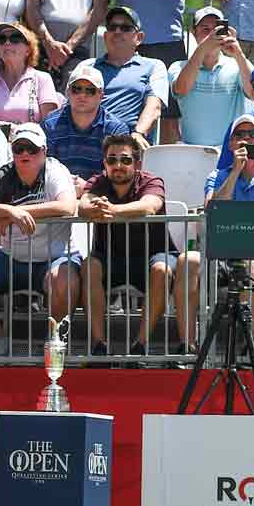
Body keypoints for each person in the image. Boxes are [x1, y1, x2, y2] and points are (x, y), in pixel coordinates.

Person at [0, 123, 79, 356]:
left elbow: (67, 206)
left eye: (32, 149)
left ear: (44, 151)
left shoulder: (56, 170)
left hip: (55, 257)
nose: (25, 154)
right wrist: (11, 212)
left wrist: (15, 212)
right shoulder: (2, 174)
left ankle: (55, 344)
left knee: (64, 282)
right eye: (19, 148)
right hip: (10, 257)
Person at [175, 114, 254, 350]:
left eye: (252, 135)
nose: (246, 140)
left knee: (250, 265)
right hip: (219, 253)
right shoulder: (217, 175)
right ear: (230, 144)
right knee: (187, 260)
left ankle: (248, 343)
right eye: (239, 135)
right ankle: (187, 344)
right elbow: (213, 210)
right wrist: (235, 171)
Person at [76, 132, 172, 357]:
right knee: (89, 265)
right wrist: (93, 206)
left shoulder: (151, 180)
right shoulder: (98, 181)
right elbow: (83, 206)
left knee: (161, 269)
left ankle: (140, 345)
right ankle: (99, 345)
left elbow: (149, 206)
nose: (118, 165)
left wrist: (110, 210)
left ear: (137, 163)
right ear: (104, 163)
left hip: (153, 256)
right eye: (112, 159)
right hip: (111, 259)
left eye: (126, 160)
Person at [170, 7, 253, 148]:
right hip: (192, 149)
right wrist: (203, 48)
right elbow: (181, 89)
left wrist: (238, 54)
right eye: (205, 30)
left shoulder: (237, 63)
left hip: (229, 151)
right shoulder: (178, 66)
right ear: (193, 33)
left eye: (217, 30)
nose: (212, 36)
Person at [40, 63, 130, 183]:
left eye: (90, 90)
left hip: (101, 194)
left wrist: (88, 187)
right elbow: (43, 166)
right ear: (67, 92)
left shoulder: (115, 130)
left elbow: (119, 171)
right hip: (58, 190)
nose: (82, 95)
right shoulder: (50, 124)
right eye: (76, 89)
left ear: (101, 95)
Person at [91, 5, 167, 146]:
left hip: (129, 145)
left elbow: (154, 106)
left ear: (139, 38)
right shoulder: (88, 67)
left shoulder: (154, 66)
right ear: (105, 35)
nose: (117, 32)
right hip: (90, 141)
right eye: (112, 27)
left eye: (126, 28)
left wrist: (138, 133)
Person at [0, 20, 60, 125]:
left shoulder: (42, 79)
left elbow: (50, 125)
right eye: (1, 39)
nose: (7, 43)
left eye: (15, 39)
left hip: (33, 140)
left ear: (28, 50)